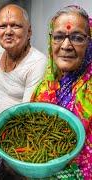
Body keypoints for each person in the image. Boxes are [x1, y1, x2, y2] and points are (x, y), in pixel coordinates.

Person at [31, 5, 92, 179]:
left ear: (89, 43)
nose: (66, 45)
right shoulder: (43, 88)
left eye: (77, 38)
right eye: (58, 37)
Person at [0, 4, 47, 117]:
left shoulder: (38, 63)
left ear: (29, 31)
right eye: (2, 26)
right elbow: (2, 75)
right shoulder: (1, 50)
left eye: (15, 26)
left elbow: (26, 112)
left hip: (10, 122)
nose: (8, 32)